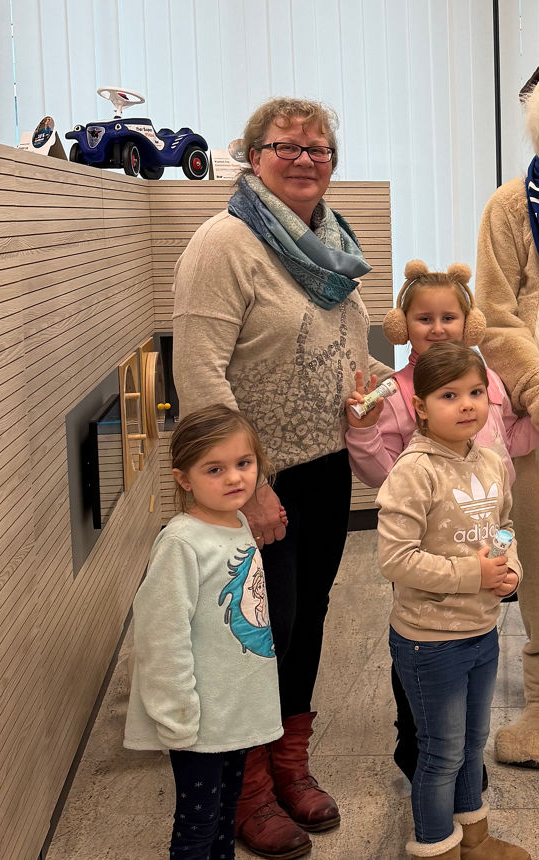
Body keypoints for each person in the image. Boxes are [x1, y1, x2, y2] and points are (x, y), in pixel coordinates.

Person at [173, 97, 392, 856]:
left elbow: (342, 341)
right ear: (252, 154)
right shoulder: (225, 243)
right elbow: (199, 374)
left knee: (308, 620)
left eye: (318, 148)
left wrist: (364, 392)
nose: (304, 159)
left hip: (324, 467)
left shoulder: (331, 242)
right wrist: (252, 486)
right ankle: (248, 785)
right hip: (250, 482)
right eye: (286, 146)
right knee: (259, 633)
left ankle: (289, 760)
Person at [345, 259, 539, 785]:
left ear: (468, 322)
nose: (437, 328)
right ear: (401, 326)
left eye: (448, 317)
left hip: (482, 540)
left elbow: (509, 439)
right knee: (424, 660)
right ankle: (422, 753)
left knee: (476, 662)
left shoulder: (485, 380)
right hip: (429, 559)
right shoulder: (396, 391)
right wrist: (362, 433)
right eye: (425, 318)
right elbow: (380, 475)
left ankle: (463, 759)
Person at [376, 342, 528, 860]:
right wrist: (472, 574)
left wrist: (509, 571)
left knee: (470, 746)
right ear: (420, 407)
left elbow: (503, 528)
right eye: (449, 395)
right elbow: (395, 560)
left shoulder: (487, 460)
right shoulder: (414, 471)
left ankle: (475, 840)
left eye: (475, 392)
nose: (467, 405)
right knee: (439, 753)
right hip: (430, 641)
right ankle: (436, 848)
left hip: (482, 630)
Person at [124, 405, 282, 860]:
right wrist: (176, 714)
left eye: (244, 463)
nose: (234, 478)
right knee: (197, 824)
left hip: (235, 711)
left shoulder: (239, 523)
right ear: (184, 478)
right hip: (197, 720)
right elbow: (161, 635)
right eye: (215, 469)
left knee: (225, 813)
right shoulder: (180, 543)